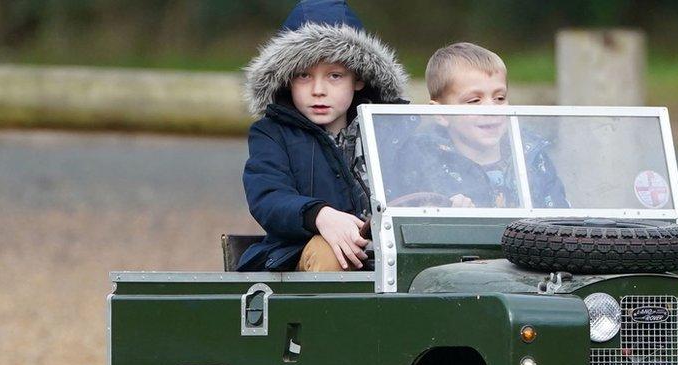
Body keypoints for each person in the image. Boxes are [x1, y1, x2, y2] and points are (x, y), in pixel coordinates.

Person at [237, 0, 408, 272]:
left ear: (359, 78)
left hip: (389, 248)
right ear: (286, 79)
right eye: (304, 75)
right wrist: (319, 216)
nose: (318, 90)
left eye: (335, 76)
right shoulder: (271, 133)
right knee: (331, 252)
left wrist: (449, 199)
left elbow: (423, 183)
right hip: (302, 252)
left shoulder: (393, 129)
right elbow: (268, 196)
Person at [388, 42, 568, 209]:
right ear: (441, 114)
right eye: (474, 100)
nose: (491, 109)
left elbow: (560, 217)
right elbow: (409, 222)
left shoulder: (532, 156)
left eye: (500, 98)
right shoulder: (420, 162)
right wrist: (445, 217)